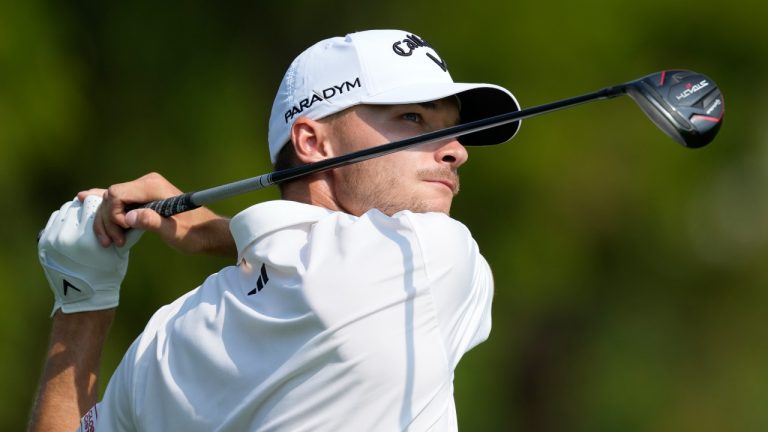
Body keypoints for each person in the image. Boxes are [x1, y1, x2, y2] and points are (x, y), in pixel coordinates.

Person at [29, 29, 521, 431]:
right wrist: (223, 235)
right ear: (312, 140)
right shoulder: (432, 255)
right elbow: (311, 263)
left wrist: (82, 300)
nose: (457, 151)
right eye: (413, 118)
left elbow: (296, 262)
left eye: (452, 130)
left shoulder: (166, 340)